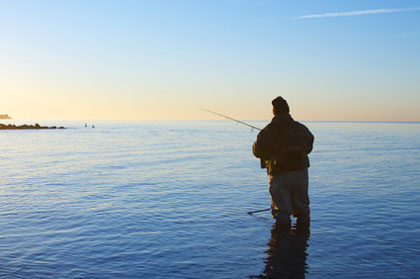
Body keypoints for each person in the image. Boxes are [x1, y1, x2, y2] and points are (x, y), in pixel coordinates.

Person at [253, 97, 314, 229]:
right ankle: (302, 246)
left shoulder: (267, 131)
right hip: (300, 173)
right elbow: (309, 146)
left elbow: (257, 152)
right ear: (288, 110)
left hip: (278, 172)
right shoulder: (301, 129)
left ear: (274, 111)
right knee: (302, 211)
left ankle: (280, 247)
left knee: (282, 215)